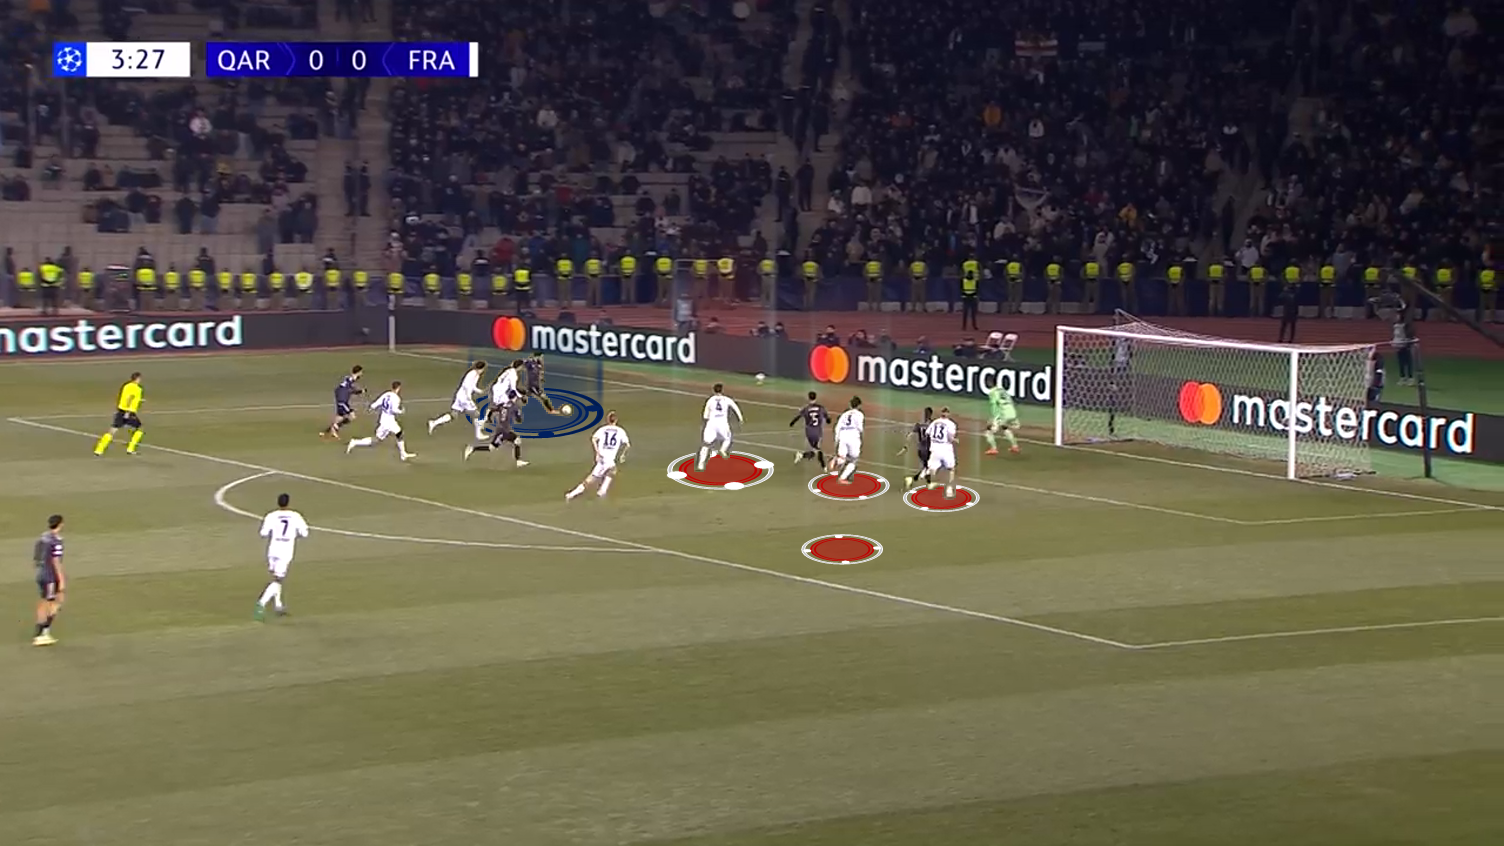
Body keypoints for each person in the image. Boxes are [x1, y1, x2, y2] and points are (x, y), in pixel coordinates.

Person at [255, 493, 309, 620]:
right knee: (278, 580)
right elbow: (304, 533)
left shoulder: (271, 515)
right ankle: (261, 603)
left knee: (275, 577)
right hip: (285, 551)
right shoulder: (295, 516)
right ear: (288, 503)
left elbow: (263, 533)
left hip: (272, 550)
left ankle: (278, 605)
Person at [345, 381, 417, 461]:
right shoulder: (396, 398)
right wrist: (401, 411)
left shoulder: (386, 394)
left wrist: (372, 407)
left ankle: (403, 454)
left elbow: (378, 401)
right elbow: (393, 409)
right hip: (387, 422)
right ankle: (355, 442)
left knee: (399, 433)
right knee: (376, 440)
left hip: (386, 419)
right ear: (398, 388)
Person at [566, 411, 629, 500]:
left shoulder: (602, 429)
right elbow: (627, 445)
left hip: (602, 458)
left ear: (608, 420)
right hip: (608, 458)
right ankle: (573, 494)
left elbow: (593, 439)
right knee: (594, 478)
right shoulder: (620, 431)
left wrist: (597, 452)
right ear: (616, 420)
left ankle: (601, 490)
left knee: (611, 470)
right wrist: (623, 455)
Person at [428, 360, 487, 439]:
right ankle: (478, 434)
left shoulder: (476, 375)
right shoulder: (472, 374)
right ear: (480, 368)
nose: (483, 371)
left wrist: (479, 391)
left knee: (453, 415)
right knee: (477, 414)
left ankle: (434, 422)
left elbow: (472, 386)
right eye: (483, 369)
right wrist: (469, 398)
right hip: (465, 398)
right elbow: (466, 386)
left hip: (460, 396)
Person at [464, 394, 528, 467]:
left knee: (491, 448)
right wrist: (518, 416)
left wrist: (488, 418)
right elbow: (519, 420)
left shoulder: (502, 405)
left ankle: (472, 448)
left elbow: (491, 409)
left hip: (500, 430)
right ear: (515, 397)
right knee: (517, 440)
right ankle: (518, 461)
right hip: (504, 431)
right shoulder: (515, 407)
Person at [32, 514, 66, 646]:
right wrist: (61, 579)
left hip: (41, 574)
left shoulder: (43, 537)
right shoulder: (56, 541)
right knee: (55, 602)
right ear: (60, 524)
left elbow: (36, 556)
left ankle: (39, 633)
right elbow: (56, 561)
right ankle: (43, 633)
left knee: (44, 602)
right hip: (50, 576)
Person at [93, 372, 145, 456]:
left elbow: (124, 397)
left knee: (112, 430)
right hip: (129, 412)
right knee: (140, 428)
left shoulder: (126, 386)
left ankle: (99, 450)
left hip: (121, 411)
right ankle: (130, 449)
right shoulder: (137, 388)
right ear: (137, 379)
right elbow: (130, 398)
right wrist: (128, 412)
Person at [697, 383, 744, 470]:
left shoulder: (710, 400)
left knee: (706, 444)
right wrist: (740, 418)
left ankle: (701, 464)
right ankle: (723, 449)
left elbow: (705, 415)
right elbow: (735, 407)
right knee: (727, 438)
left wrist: (705, 422)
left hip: (712, 423)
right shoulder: (726, 399)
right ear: (722, 390)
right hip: (722, 423)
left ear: (713, 390)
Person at [320, 365, 364, 439]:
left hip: (341, 398)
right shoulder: (351, 379)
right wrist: (360, 391)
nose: (362, 373)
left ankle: (327, 432)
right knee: (352, 416)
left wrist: (360, 391)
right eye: (361, 372)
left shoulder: (348, 379)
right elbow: (351, 388)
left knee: (340, 417)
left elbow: (349, 389)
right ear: (358, 372)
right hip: (342, 399)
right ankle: (334, 428)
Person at [924, 408, 960, 498]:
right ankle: (949, 489)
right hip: (945, 449)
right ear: (948, 414)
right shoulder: (951, 424)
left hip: (935, 448)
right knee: (951, 469)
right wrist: (955, 440)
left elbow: (927, 433)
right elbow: (950, 437)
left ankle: (929, 471)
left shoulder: (934, 422)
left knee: (933, 469)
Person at [828, 396, 864, 483]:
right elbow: (860, 428)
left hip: (843, 436)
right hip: (853, 437)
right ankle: (842, 478)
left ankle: (836, 460)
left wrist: (837, 439)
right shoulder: (859, 414)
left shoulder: (844, 414)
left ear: (850, 405)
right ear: (859, 406)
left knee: (842, 457)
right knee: (853, 459)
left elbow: (837, 428)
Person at [789, 390, 828, 466]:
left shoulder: (806, 408)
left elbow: (798, 416)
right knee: (816, 449)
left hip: (809, 432)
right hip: (817, 432)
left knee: (815, 450)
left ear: (808, 398)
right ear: (816, 398)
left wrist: (792, 423)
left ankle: (822, 465)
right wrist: (827, 420)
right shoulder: (821, 408)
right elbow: (828, 419)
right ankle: (802, 455)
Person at [899, 407, 934, 490]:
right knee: (927, 466)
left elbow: (910, 435)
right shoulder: (932, 424)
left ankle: (927, 482)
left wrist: (905, 446)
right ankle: (913, 479)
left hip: (921, 449)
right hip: (927, 449)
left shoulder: (919, 424)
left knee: (927, 466)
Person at [984, 384, 1021, 455]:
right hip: (1012, 412)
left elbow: (994, 406)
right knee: (1004, 427)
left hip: (1003, 414)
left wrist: (994, 418)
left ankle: (993, 449)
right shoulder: (1002, 390)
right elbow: (1011, 401)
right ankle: (1015, 446)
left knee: (989, 430)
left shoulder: (992, 393)